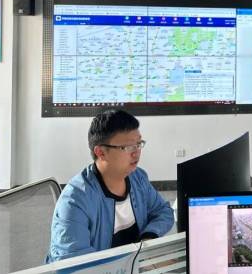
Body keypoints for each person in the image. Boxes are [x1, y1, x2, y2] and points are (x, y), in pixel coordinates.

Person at [47, 109, 174, 262]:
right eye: (128, 147)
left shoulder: (138, 178)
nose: (136, 153)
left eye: (138, 144)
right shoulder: (75, 201)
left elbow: (163, 211)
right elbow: (74, 264)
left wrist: (148, 237)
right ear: (101, 152)